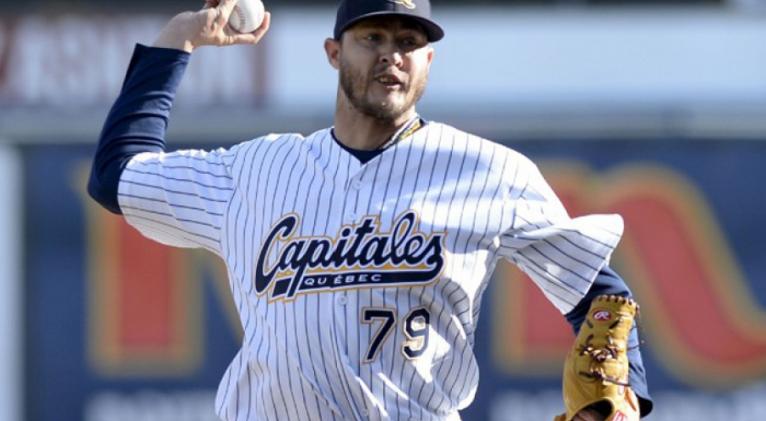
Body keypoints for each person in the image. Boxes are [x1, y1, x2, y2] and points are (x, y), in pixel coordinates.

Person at [88, 0, 653, 419]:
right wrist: (179, 38)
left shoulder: (490, 173)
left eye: (409, 41)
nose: (392, 55)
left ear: (428, 60)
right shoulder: (255, 171)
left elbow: (600, 297)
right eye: (373, 36)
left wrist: (620, 399)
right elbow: (117, 176)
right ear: (334, 52)